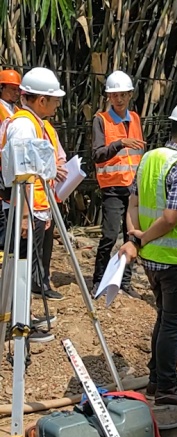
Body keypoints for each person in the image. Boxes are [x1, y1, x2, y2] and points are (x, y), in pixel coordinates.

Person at [119, 98, 177, 407]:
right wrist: (143, 238)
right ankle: (168, 388)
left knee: (165, 318)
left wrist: (135, 235)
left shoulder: (148, 159)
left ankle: (157, 378)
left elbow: (132, 203)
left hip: (153, 261)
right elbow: (172, 218)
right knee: (173, 325)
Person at [1, 67, 68, 341]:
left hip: (36, 207)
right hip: (26, 209)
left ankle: (23, 319)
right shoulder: (23, 126)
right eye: (54, 100)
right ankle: (19, 326)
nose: (56, 105)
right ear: (41, 100)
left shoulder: (34, 123)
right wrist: (27, 216)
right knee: (22, 268)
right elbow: (22, 173)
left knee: (27, 267)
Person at [92, 70, 145, 299]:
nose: (119, 99)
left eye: (123, 94)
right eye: (115, 95)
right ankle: (98, 280)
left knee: (131, 236)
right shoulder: (101, 120)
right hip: (112, 187)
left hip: (133, 188)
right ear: (109, 97)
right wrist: (120, 143)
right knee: (110, 235)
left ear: (130, 94)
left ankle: (125, 281)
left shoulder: (135, 118)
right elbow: (97, 154)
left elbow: (141, 152)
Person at [0, 69, 22, 251]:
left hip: (12, 165)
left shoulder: (17, 111)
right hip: (2, 163)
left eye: (18, 90)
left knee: (10, 206)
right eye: (12, 89)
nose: (16, 93)